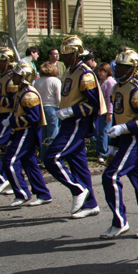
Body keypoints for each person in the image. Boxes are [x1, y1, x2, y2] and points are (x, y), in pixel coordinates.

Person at [100, 48, 138, 239]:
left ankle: (119, 222)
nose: (117, 68)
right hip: (126, 138)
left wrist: (124, 128)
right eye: (117, 65)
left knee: (110, 176)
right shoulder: (117, 88)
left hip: (136, 139)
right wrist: (113, 142)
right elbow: (118, 117)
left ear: (133, 68)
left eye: (123, 66)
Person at [44, 35, 105, 219]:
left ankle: (78, 189)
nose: (63, 57)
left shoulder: (85, 74)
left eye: (67, 53)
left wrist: (71, 111)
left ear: (77, 53)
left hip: (77, 122)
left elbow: (93, 105)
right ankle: (90, 204)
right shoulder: (70, 71)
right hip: (69, 121)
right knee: (79, 165)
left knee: (51, 157)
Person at [1, 60, 52, 207]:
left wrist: (11, 122)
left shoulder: (29, 94)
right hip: (21, 131)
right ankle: (43, 194)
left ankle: (22, 193)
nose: (13, 77)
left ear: (24, 77)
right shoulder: (22, 91)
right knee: (30, 164)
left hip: (26, 131)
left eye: (16, 75)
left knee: (10, 161)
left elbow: (33, 117)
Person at [0, 46, 17, 197]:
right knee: (7, 150)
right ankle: (13, 181)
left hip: (8, 116)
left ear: (7, 62)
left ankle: (1, 179)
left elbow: (14, 102)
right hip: (0, 116)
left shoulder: (11, 78)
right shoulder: (2, 77)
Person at [34, 62, 62, 161]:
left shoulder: (37, 81)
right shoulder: (56, 81)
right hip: (52, 108)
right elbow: (58, 98)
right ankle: (51, 157)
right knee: (52, 134)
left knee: (43, 134)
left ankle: (42, 157)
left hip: (40, 108)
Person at [95, 63, 116, 162]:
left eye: (101, 71)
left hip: (106, 111)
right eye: (98, 71)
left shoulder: (110, 82)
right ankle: (104, 151)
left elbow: (110, 99)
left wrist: (110, 113)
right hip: (100, 111)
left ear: (107, 71)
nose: (99, 73)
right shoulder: (101, 81)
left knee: (104, 132)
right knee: (100, 132)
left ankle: (103, 153)